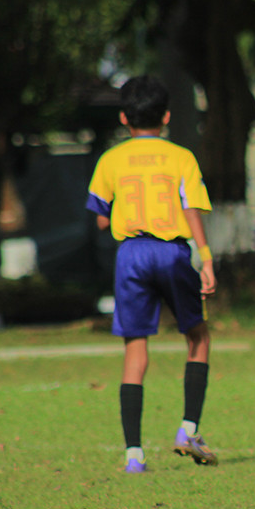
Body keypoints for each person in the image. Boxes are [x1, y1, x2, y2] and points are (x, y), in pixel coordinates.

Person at [86, 75, 218, 472]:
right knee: (197, 335)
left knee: (135, 347)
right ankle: (188, 429)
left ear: (124, 118)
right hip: (172, 251)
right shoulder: (181, 157)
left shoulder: (110, 159)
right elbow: (191, 208)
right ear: (167, 116)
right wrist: (206, 257)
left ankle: (134, 455)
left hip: (131, 254)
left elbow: (100, 218)